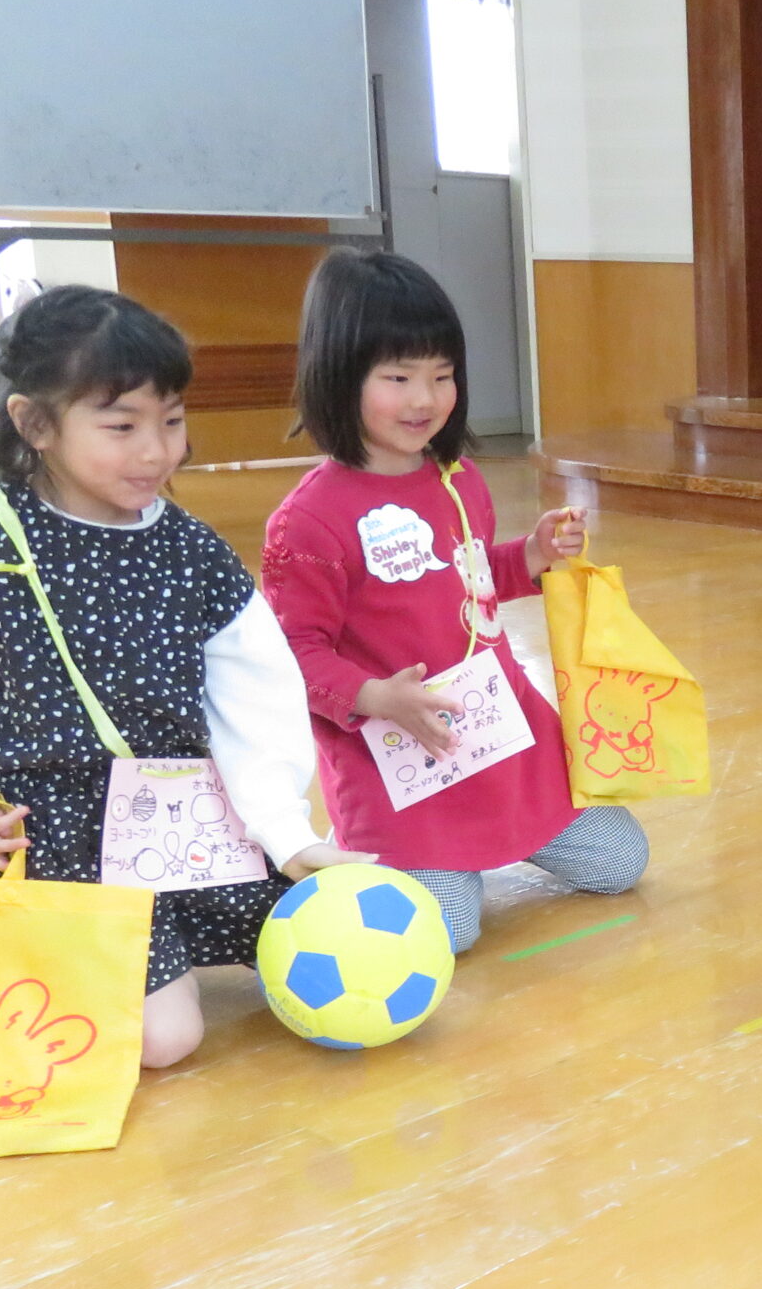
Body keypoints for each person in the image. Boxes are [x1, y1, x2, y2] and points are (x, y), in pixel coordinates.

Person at [0, 286, 359, 1068]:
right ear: (35, 423)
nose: (156, 452)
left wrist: (287, 836)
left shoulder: (193, 551)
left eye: (172, 420)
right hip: (60, 839)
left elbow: (256, 706)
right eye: (122, 426)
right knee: (168, 1040)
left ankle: (149, 945)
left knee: (344, 957)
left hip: (191, 820)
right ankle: (36, 945)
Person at [261, 249, 646, 953]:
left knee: (621, 863)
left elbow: (468, 578)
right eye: (398, 377)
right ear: (338, 374)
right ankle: (367, 859)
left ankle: (493, 841)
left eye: (442, 376)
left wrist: (530, 557)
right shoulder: (307, 522)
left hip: (502, 742)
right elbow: (293, 654)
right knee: (446, 932)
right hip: (403, 771)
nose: (425, 399)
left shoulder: (458, 477)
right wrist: (377, 697)